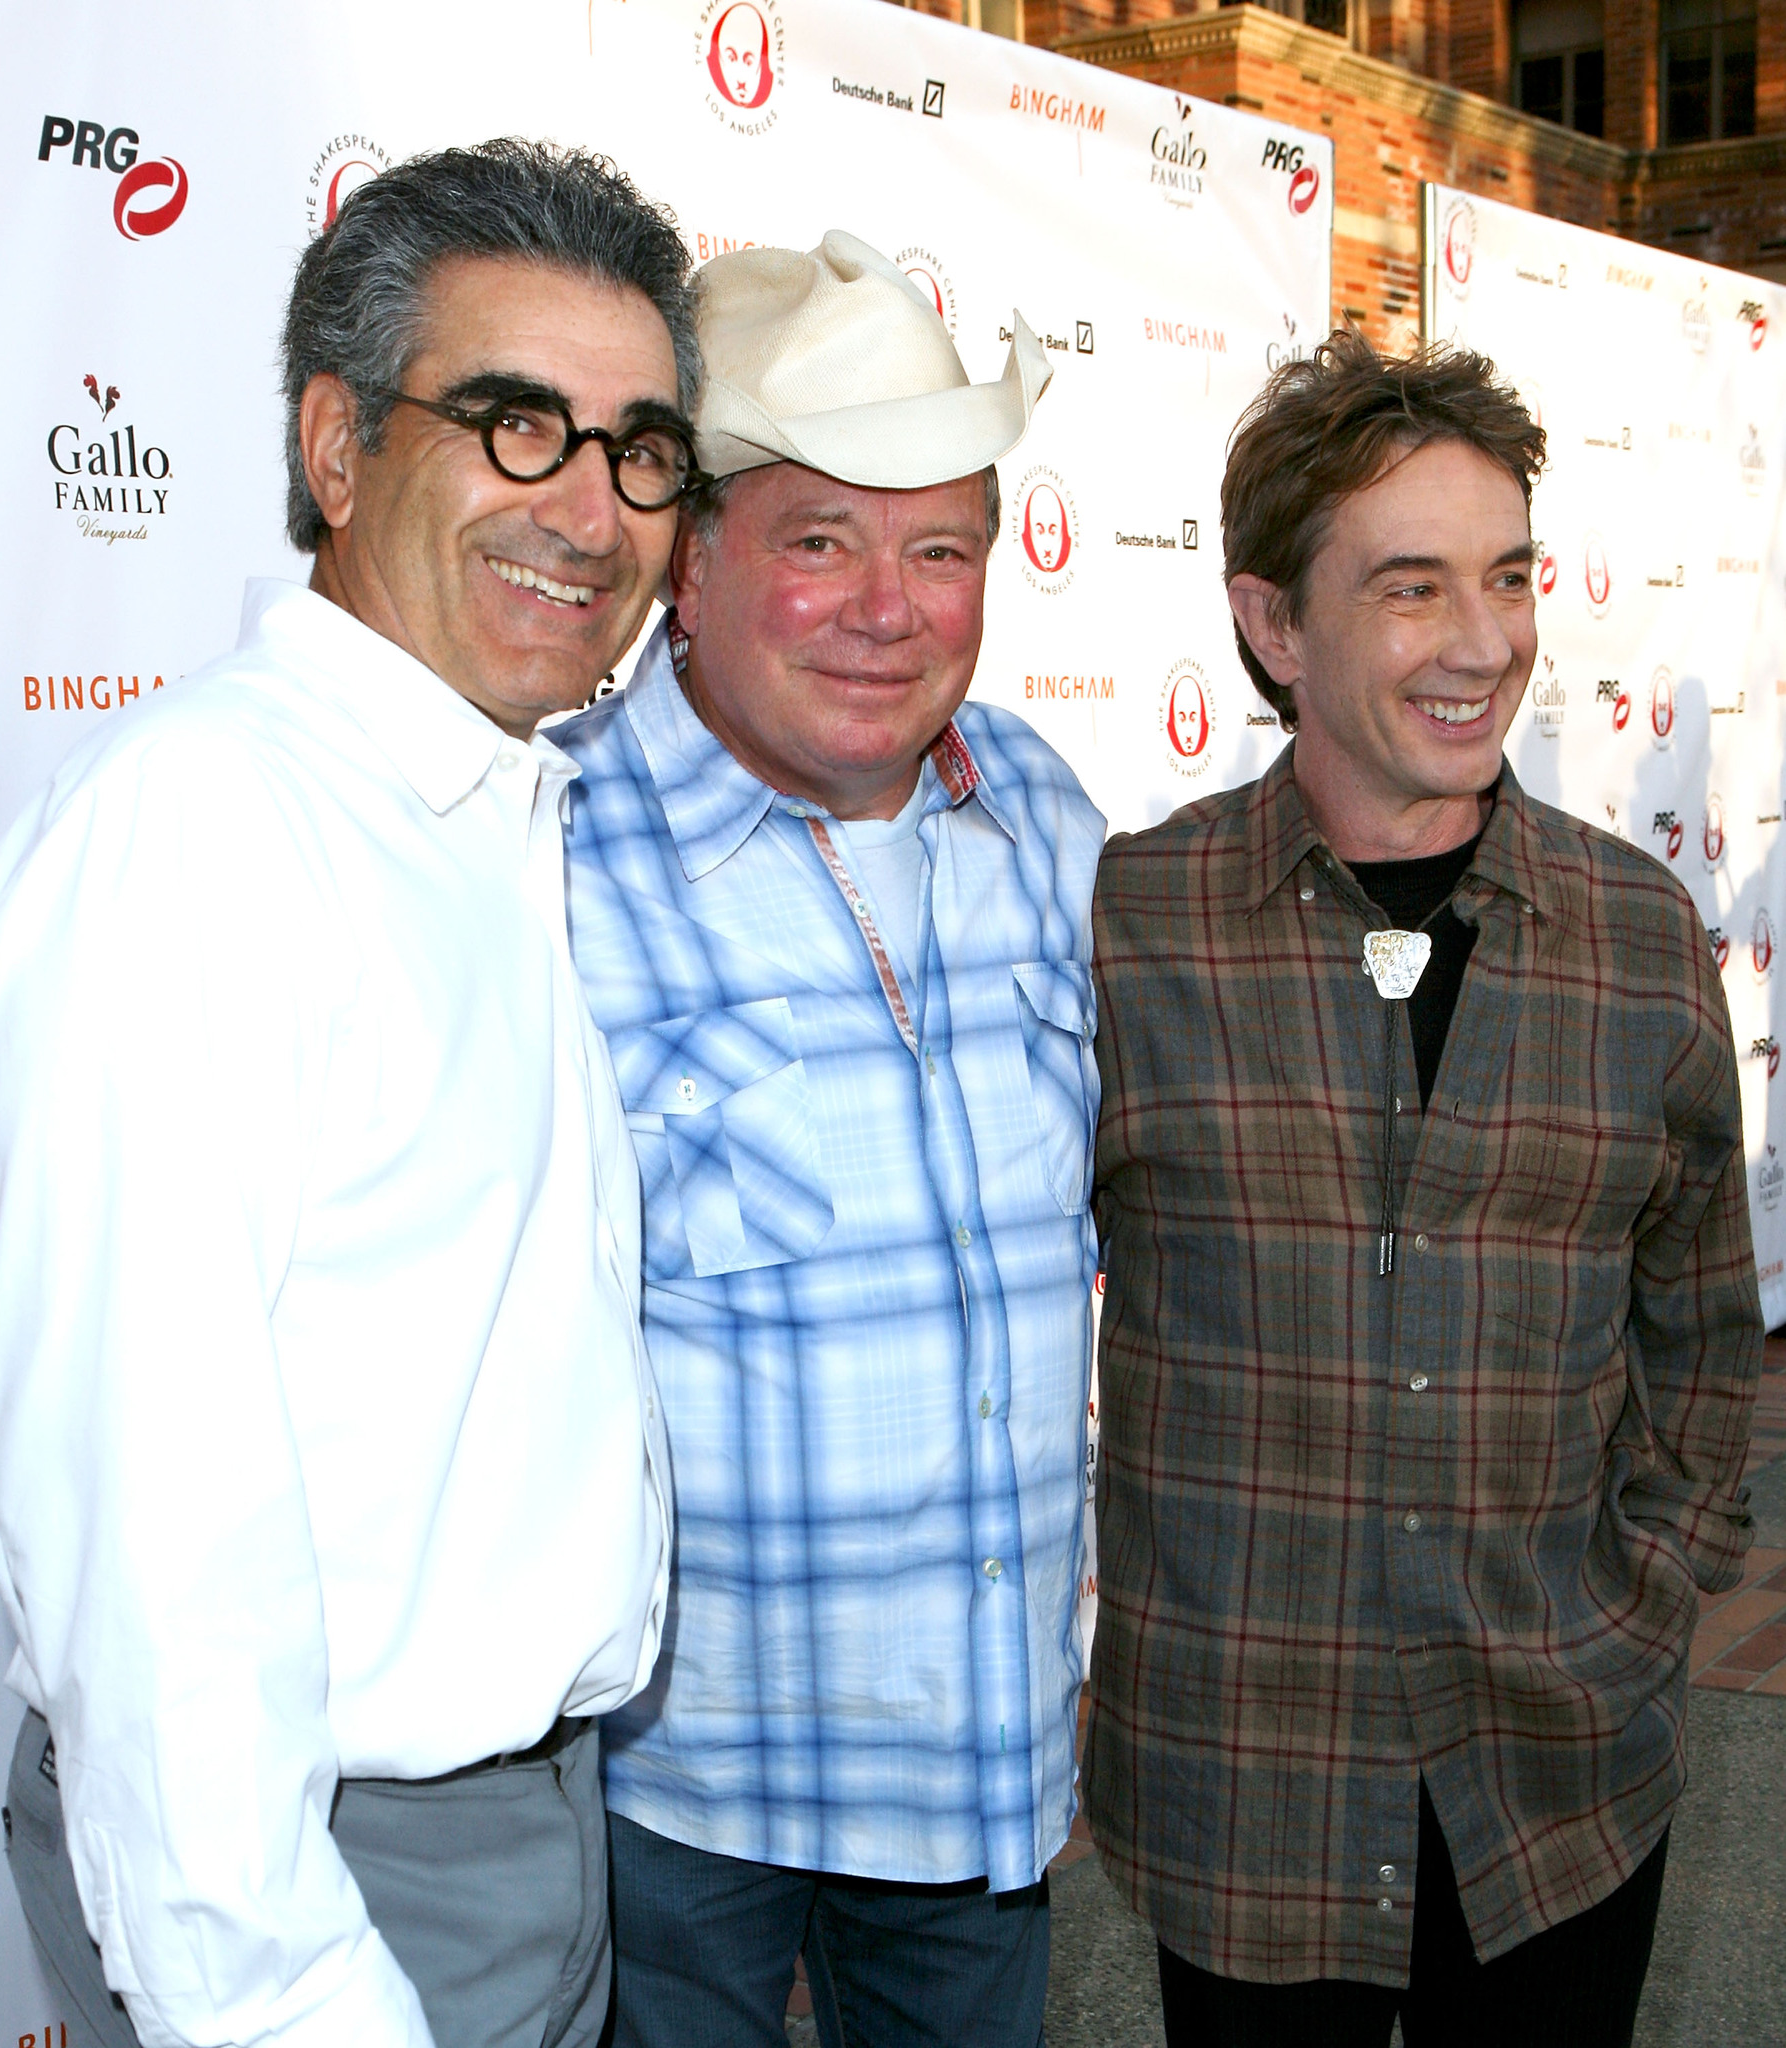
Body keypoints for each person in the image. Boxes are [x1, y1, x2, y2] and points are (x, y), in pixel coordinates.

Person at [0, 139, 701, 2048]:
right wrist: (288, 2006)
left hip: (512, 1839)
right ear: (335, 446)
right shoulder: (199, 843)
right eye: (514, 423)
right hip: (323, 1900)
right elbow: (150, 1570)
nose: (592, 507)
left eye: (640, 449)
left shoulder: (472, 809)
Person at [1084, 332, 1763, 2048]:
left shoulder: (1634, 940)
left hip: (1556, 1781)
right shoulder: (1131, 930)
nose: (1483, 644)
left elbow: (1695, 1316)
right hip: (1248, 1786)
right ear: (1269, 626)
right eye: (1408, 589)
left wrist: (1649, 1595)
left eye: (1507, 576)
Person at [557, 232, 1100, 2047]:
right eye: (820, 541)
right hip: (676, 1788)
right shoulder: (542, 855)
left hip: (979, 1764)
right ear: (688, 566)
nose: (890, 606)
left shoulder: (1037, 808)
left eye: (939, 548)